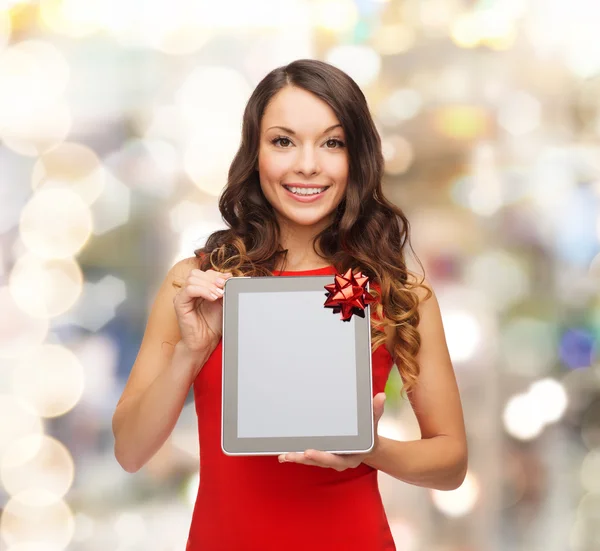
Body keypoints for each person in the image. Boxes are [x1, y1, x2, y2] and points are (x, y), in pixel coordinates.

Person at [112, 59, 467, 550]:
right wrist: (190, 353)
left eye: (332, 142)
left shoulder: (394, 294)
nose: (307, 165)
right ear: (255, 154)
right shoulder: (198, 283)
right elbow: (130, 451)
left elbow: (450, 463)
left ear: (356, 158)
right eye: (283, 141)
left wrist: (371, 449)